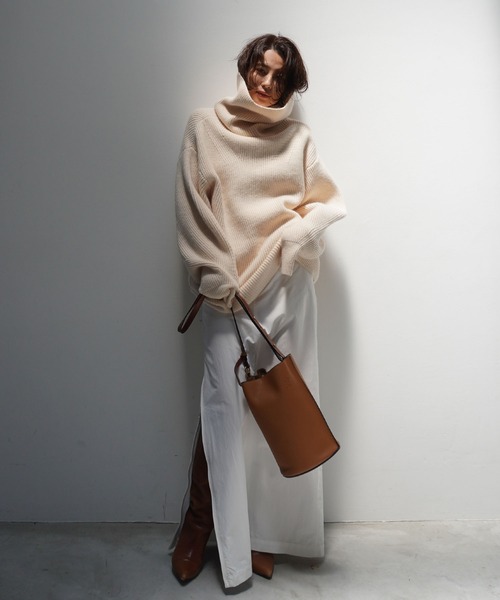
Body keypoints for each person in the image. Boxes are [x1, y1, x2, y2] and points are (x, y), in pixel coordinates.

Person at [171, 33, 346, 590]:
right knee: (222, 408)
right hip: (226, 292)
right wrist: (214, 275)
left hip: (284, 290)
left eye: (279, 76)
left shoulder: (297, 139)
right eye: (259, 70)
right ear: (246, 67)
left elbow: (326, 203)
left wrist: (296, 237)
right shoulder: (205, 127)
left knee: (274, 412)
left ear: (292, 84)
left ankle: (261, 535)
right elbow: (192, 208)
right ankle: (199, 524)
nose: (266, 83)